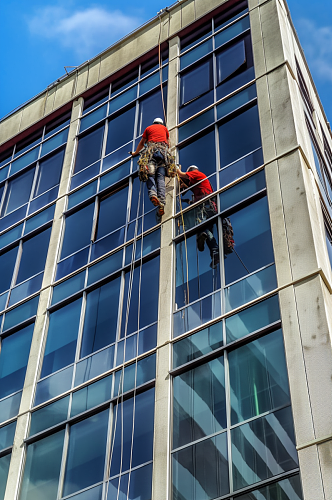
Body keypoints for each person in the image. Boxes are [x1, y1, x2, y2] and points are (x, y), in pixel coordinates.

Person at [177, 165, 220, 268]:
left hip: (206, 205)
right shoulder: (200, 182)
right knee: (208, 230)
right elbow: (189, 187)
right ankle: (215, 253)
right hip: (211, 207)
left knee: (200, 225)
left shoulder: (196, 173)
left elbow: (181, 174)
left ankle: (201, 234)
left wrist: (176, 168)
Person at [130, 117, 170, 216]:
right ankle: (162, 200)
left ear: (154, 123)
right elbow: (168, 143)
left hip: (151, 153)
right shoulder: (165, 129)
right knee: (160, 178)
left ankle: (153, 193)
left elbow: (142, 143)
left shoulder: (148, 128)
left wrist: (135, 153)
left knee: (150, 174)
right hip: (163, 154)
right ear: (161, 123)